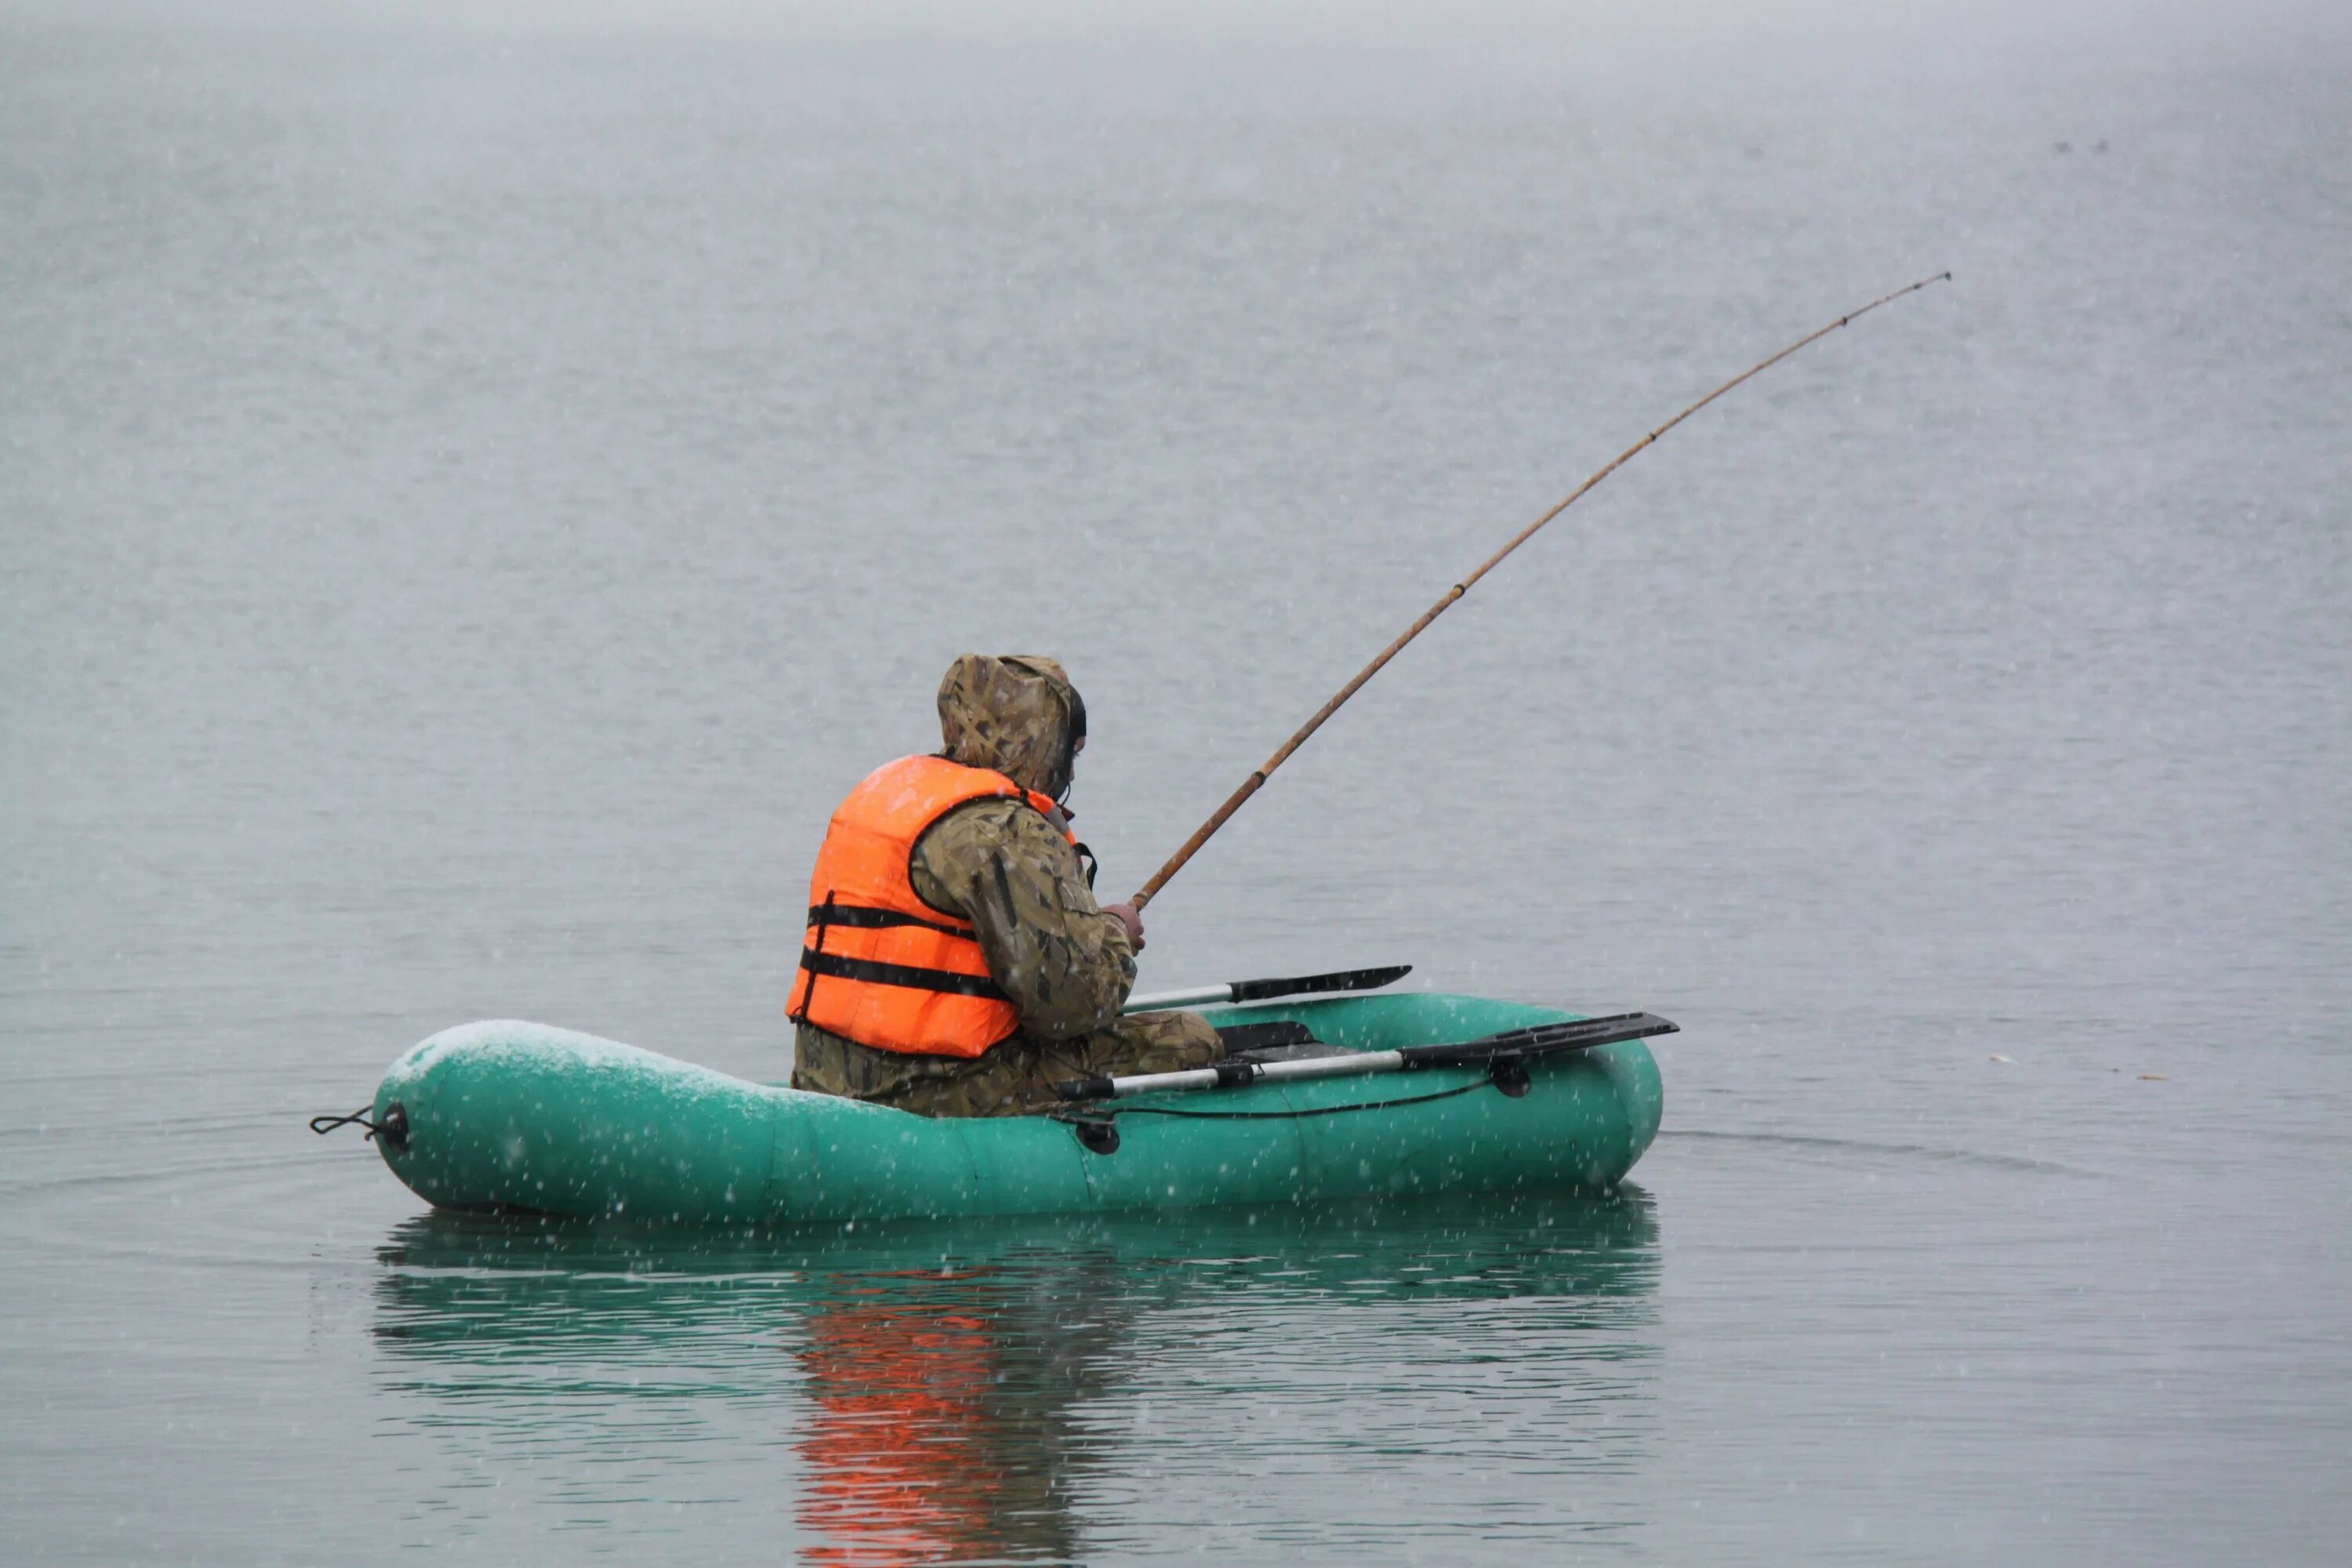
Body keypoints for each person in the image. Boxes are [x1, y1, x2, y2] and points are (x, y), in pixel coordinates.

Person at [788, 654, 1223, 1116]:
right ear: (1043, 742)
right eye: (1070, 752)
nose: (1071, 774)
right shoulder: (1006, 832)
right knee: (1192, 1040)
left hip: (825, 1077)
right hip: (940, 1088)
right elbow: (1070, 1008)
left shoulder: (884, 795)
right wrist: (1115, 932)